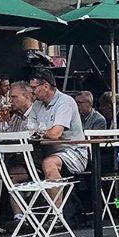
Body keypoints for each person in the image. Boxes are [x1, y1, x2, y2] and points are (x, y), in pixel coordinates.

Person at [27, 68, 89, 201]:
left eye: (34, 87)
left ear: (46, 86)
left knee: (49, 164)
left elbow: (55, 134)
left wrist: (38, 131)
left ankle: (56, 211)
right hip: (45, 152)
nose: (31, 91)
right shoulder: (37, 105)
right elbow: (28, 129)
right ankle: (21, 213)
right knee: (15, 170)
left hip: (73, 152)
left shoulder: (65, 102)